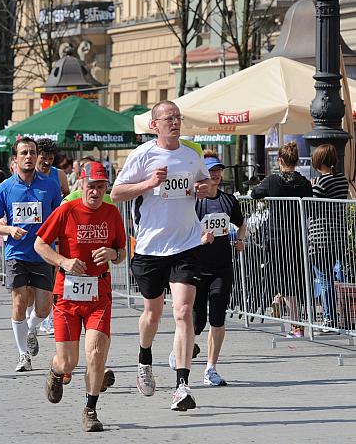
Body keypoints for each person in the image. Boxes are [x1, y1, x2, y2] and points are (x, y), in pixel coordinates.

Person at [111, 100, 210, 411]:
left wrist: (204, 189)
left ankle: (182, 385)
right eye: (168, 118)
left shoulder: (192, 154)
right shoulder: (142, 155)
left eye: (177, 117)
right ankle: (144, 358)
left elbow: (203, 181)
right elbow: (115, 193)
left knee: (183, 312)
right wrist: (148, 183)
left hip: (187, 243)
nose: (174, 122)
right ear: (154, 125)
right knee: (152, 313)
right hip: (151, 247)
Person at [34, 162, 126, 432]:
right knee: (68, 362)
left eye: (101, 186)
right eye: (91, 186)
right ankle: (54, 371)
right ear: (81, 185)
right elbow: (40, 244)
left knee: (96, 354)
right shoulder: (66, 211)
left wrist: (112, 254)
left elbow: (121, 252)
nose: (96, 192)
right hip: (67, 297)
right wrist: (63, 261)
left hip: (99, 293)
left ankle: (90, 410)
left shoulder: (112, 213)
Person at [170, 151, 245, 387]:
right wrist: (200, 238)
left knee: (218, 319)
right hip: (196, 266)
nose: (215, 175)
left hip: (222, 267)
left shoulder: (229, 200)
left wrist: (240, 240)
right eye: (211, 171)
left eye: (218, 171)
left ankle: (211, 368)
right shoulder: (193, 201)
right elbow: (181, 228)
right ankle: (178, 351)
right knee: (196, 320)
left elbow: (242, 225)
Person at [0, 137, 62, 372]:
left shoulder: (50, 186)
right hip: (15, 253)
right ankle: (23, 355)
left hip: (42, 254)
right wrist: (9, 229)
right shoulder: (5, 188)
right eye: (24, 153)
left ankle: (31, 329)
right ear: (15, 159)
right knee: (19, 301)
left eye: (32, 152)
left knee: (44, 307)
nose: (29, 156)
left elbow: (59, 218)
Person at [250, 141, 313, 337]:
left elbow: (254, 193)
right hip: (297, 235)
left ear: (280, 161)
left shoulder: (273, 181)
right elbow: (310, 205)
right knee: (294, 277)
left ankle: (296, 324)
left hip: (276, 236)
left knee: (285, 279)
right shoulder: (304, 182)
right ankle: (278, 300)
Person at [308, 144, 349, 328]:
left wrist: (312, 188)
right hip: (338, 234)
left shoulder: (322, 183)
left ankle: (329, 317)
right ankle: (337, 315)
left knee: (324, 279)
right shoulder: (342, 180)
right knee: (335, 276)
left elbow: (311, 206)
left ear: (318, 162)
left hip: (321, 236)